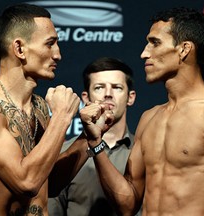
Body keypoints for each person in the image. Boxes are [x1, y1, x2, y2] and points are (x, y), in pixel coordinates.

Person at [82, 7, 204, 216]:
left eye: (155, 43)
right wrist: (96, 145)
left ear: (184, 49)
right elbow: (127, 205)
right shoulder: (149, 118)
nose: (144, 53)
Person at [0, 3, 113, 215]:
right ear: (19, 49)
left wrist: (85, 140)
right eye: (50, 44)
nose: (58, 55)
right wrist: (62, 116)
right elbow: (26, 183)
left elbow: (49, 183)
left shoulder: (40, 106)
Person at [48, 57, 142, 216]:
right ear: (85, 98)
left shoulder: (143, 152)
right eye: (99, 87)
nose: (108, 94)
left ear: (130, 97)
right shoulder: (66, 152)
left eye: (117, 87)